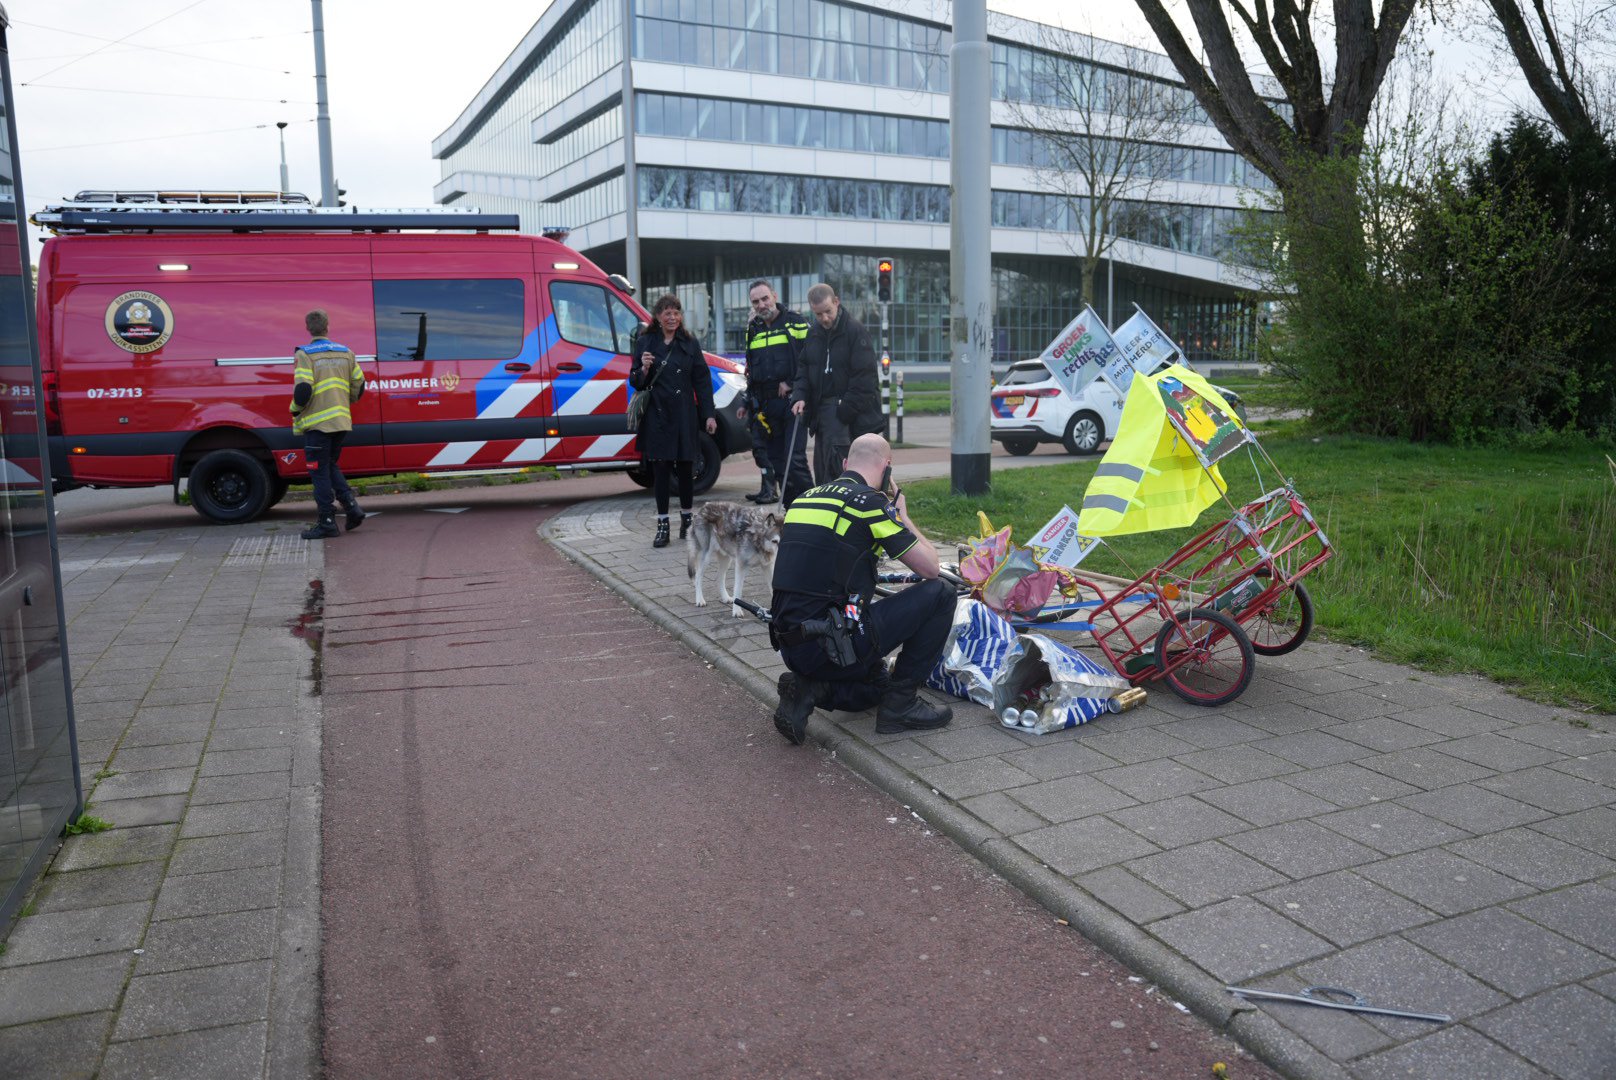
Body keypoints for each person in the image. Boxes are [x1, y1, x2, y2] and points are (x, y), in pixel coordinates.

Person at [768, 433, 956, 745]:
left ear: (845, 464)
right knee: (942, 593)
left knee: (878, 684)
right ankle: (902, 706)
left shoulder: (805, 499)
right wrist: (904, 519)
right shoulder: (869, 503)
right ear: (887, 469)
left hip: (793, 645)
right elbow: (930, 568)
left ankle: (809, 690)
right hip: (830, 644)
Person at [631, 294, 717, 548]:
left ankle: (687, 523)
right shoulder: (646, 341)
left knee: (686, 468)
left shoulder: (689, 342)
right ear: (657, 317)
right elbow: (635, 380)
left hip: (683, 413)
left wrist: (709, 414)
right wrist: (644, 369)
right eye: (667, 313)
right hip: (658, 414)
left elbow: (702, 380)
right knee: (660, 470)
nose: (672, 317)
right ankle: (662, 526)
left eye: (676, 312)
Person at [792, 283, 883, 485]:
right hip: (820, 414)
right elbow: (804, 368)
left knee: (839, 472)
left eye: (828, 312)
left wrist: (843, 412)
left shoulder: (856, 332)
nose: (824, 318)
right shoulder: (814, 333)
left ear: (836, 302)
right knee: (822, 470)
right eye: (818, 314)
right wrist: (799, 396)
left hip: (844, 414)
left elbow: (865, 379)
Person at [291, 309, 366, 540]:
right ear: (328, 326)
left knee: (319, 473)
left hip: (318, 425)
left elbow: (303, 389)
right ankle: (352, 509)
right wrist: (346, 400)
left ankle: (326, 522)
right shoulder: (346, 352)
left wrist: (294, 410)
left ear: (307, 328)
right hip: (341, 422)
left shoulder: (305, 354)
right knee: (329, 465)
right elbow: (360, 384)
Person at [742, 280, 812, 507]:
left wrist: (792, 383)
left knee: (795, 461)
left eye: (765, 299)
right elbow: (751, 369)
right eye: (755, 302)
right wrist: (746, 401)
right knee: (778, 463)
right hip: (765, 406)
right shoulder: (753, 329)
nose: (761, 305)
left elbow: (813, 360)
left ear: (774, 296)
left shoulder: (796, 322)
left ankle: (814, 509)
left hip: (793, 403)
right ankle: (793, 514)